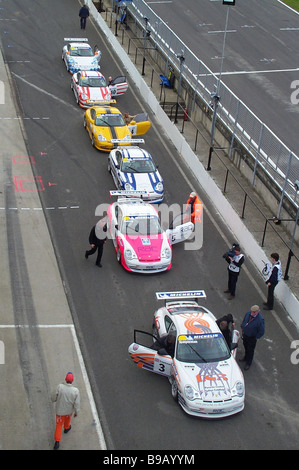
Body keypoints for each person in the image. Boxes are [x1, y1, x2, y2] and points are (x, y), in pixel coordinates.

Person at [51, 372, 80, 450]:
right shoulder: (75, 391)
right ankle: (67, 428)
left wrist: (53, 399)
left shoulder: (60, 387)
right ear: (72, 380)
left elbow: (54, 397)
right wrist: (76, 412)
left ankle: (57, 441)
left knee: (59, 425)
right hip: (68, 411)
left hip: (60, 411)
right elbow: (76, 403)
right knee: (67, 419)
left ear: (65, 379)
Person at [240, 305, 265, 370]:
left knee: (250, 350)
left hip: (252, 337)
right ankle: (245, 357)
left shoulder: (260, 320)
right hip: (245, 334)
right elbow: (244, 321)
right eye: (251, 311)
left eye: (253, 312)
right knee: (245, 346)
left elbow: (261, 331)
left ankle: (248, 363)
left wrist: (256, 337)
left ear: (257, 312)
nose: (252, 313)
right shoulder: (248, 314)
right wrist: (242, 327)